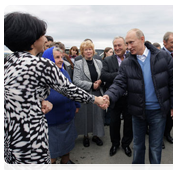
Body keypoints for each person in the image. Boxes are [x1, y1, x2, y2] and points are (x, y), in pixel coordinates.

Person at [4, 12, 108, 170]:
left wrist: (38, 101)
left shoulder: (7, 62)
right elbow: (69, 89)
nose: (45, 39)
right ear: (32, 38)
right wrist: (97, 100)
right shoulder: (41, 65)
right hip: (31, 139)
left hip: (9, 137)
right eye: (42, 34)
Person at [104, 28, 173, 170]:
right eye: (127, 43)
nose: (128, 47)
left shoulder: (163, 57)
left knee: (155, 145)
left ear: (142, 39)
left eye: (131, 42)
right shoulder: (128, 63)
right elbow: (119, 83)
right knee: (138, 145)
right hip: (137, 111)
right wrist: (108, 96)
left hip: (158, 111)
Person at [42, 47, 80, 170]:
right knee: (52, 146)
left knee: (67, 141)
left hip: (67, 115)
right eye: (57, 58)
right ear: (48, 59)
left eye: (61, 57)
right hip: (53, 119)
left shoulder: (64, 72)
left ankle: (65, 160)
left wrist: (76, 104)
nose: (61, 60)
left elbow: (71, 89)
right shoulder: (42, 77)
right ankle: (52, 165)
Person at [101, 36, 133, 157]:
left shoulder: (133, 58)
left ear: (125, 46)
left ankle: (126, 144)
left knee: (129, 123)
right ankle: (115, 144)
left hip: (129, 97)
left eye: (120, 45)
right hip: (113, 97)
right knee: (114, 123)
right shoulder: (108, 60)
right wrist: (121, 74)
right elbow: (103, 75)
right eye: (115, 46)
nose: (117, 48)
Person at [73, 40, 105, 148]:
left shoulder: (99, 63)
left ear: (93, 50)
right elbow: (76, 81)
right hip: (85, 94)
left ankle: (96, 135)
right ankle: (86, 136)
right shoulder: (78, 64)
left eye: (90, 49)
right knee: (85, 116)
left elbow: (102, 76)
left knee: (97, 116)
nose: (88, 51)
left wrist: (100, 81)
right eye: (86, 49)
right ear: (82, 51)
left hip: (97, 93)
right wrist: (91, 85)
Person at [161, 31, 173, 148]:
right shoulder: (159, 55)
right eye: (172, 42)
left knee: (169, 118)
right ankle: (159, 138)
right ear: (164, 42)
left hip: (171, 93)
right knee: (160, 119)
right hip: (162, 94)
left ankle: (167, 134)